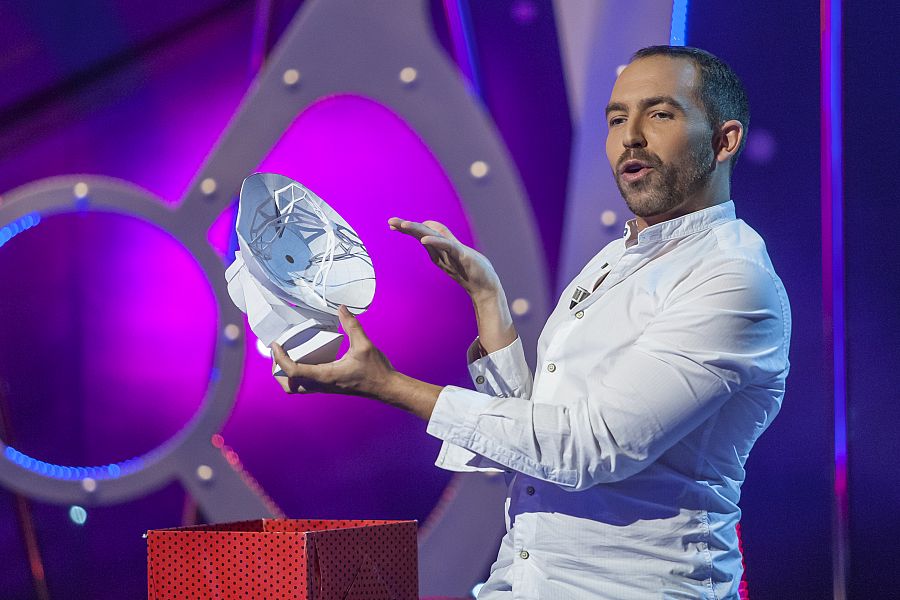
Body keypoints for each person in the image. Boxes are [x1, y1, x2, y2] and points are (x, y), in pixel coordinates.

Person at [272, 46, 791, 599]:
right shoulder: (619, 256)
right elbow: (536, 435)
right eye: (617, 119)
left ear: (725, 141)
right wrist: (487, 298)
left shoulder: (733, 280)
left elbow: (591, 446)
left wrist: (389, 385)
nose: (631, 137)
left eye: (660, 113)